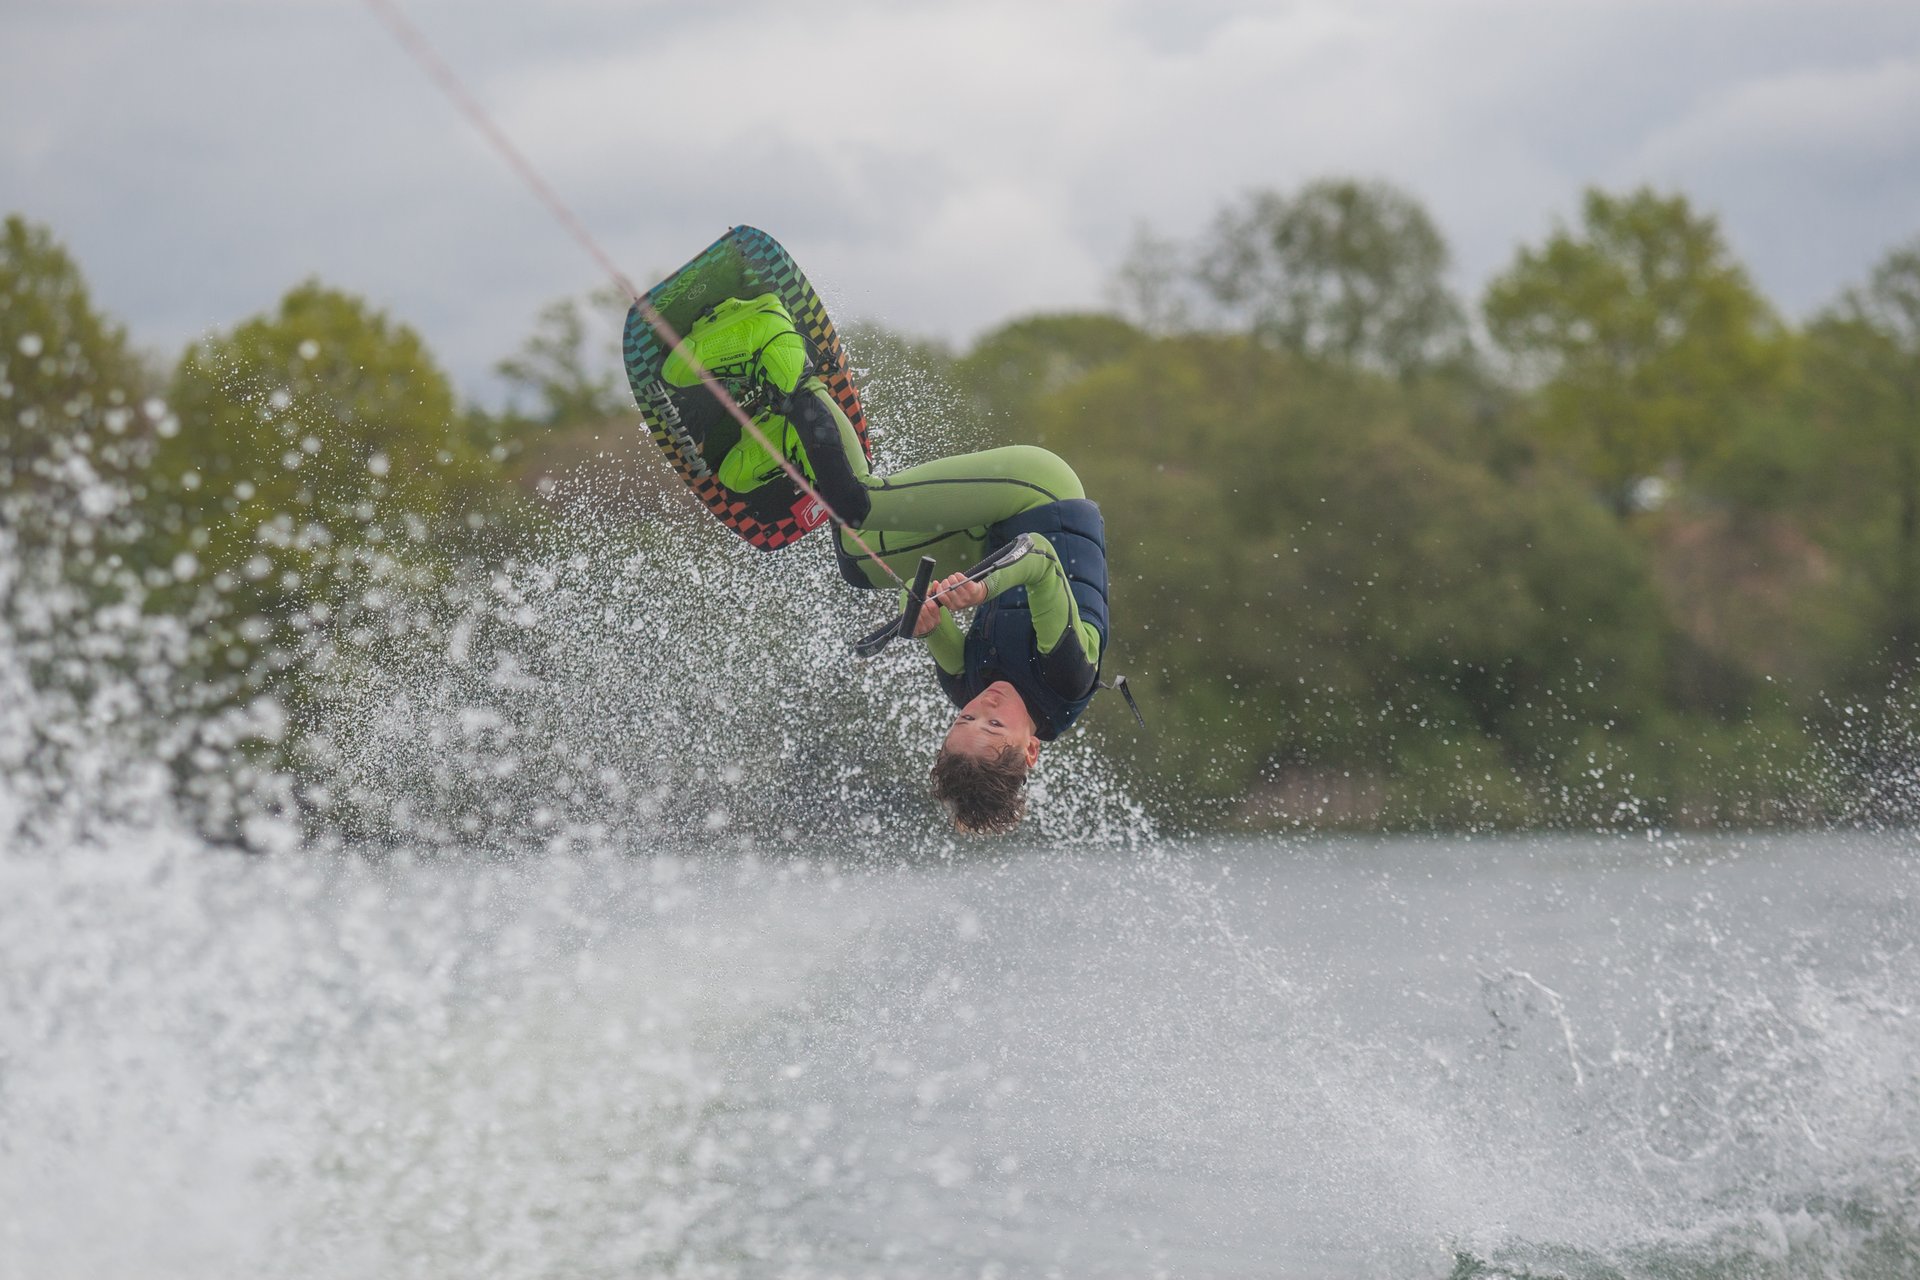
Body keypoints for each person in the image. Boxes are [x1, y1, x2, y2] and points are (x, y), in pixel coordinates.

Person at [663, 295, 1112, 833]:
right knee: (858, 502)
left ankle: (792, 436)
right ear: (1032, 749)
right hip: (1036, 494)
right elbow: (1038, 556)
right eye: (994, 724)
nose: (982, 705)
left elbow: (917, 601)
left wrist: (921, 614)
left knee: (859, 564)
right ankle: (775, 342)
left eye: (966, 719)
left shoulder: (966, 685)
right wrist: (977, 588)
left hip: (984, 532)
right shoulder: (1068, 677)